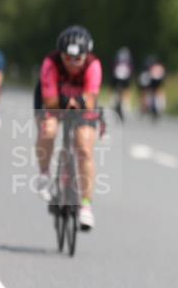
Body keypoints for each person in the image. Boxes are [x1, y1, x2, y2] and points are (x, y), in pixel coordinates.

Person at [34, 26, 102, 230]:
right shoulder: (50, 63)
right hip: (52, 102)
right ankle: (44, 173)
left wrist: (77, 102)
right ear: (60, 55)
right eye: (67, 58)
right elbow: (50, 101)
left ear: (85, 55)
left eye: (77, 59)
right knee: (48, 130)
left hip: (81, 106)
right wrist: (68, 101)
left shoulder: (93, 65)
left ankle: (86, 206)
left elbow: (90, 100)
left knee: (84, 149)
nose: (72, 64)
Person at [111, 47, 134, 121]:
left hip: (119, 80)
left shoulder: (117, 60)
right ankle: (124, 105)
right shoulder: (127, 61)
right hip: (122, 80)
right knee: (124, 91)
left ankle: (118, 103)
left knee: (119, 91)